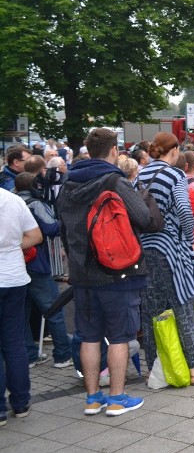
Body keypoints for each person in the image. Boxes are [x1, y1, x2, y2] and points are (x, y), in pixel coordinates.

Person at [57, 127, 161, 416]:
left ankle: (92, 398)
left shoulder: (68, 184)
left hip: (82, 272)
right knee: (119, 336)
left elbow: (62, 229)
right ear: (114, 150)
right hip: (118, 271)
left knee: (88, 336)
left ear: (89, 150)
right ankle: (117, 398)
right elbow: (146, 220)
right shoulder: (115, 181)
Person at [136, 133, 194, 383]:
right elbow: (183, 208)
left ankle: (155, 368)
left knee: (152, 311)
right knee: (183, 306)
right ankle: (193, 369)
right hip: (172, 249)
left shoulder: (142, 174)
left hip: (146, 248)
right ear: (175, 150)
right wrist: (188, 240)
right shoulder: (175, 175)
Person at [14, 173, 72, 369]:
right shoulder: (34, 204)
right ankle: (63, 354)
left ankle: (30, 356)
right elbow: (50, 228)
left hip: (15, 265)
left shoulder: (10, 200)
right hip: (36, 264)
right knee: (53, 308)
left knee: (22, 313)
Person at [0, 185, 42, 424]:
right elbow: (35, 236)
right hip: (14, 276)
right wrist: (11, 245)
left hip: (11, 276)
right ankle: (21, 402)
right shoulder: (13, 200)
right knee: (14, 342)